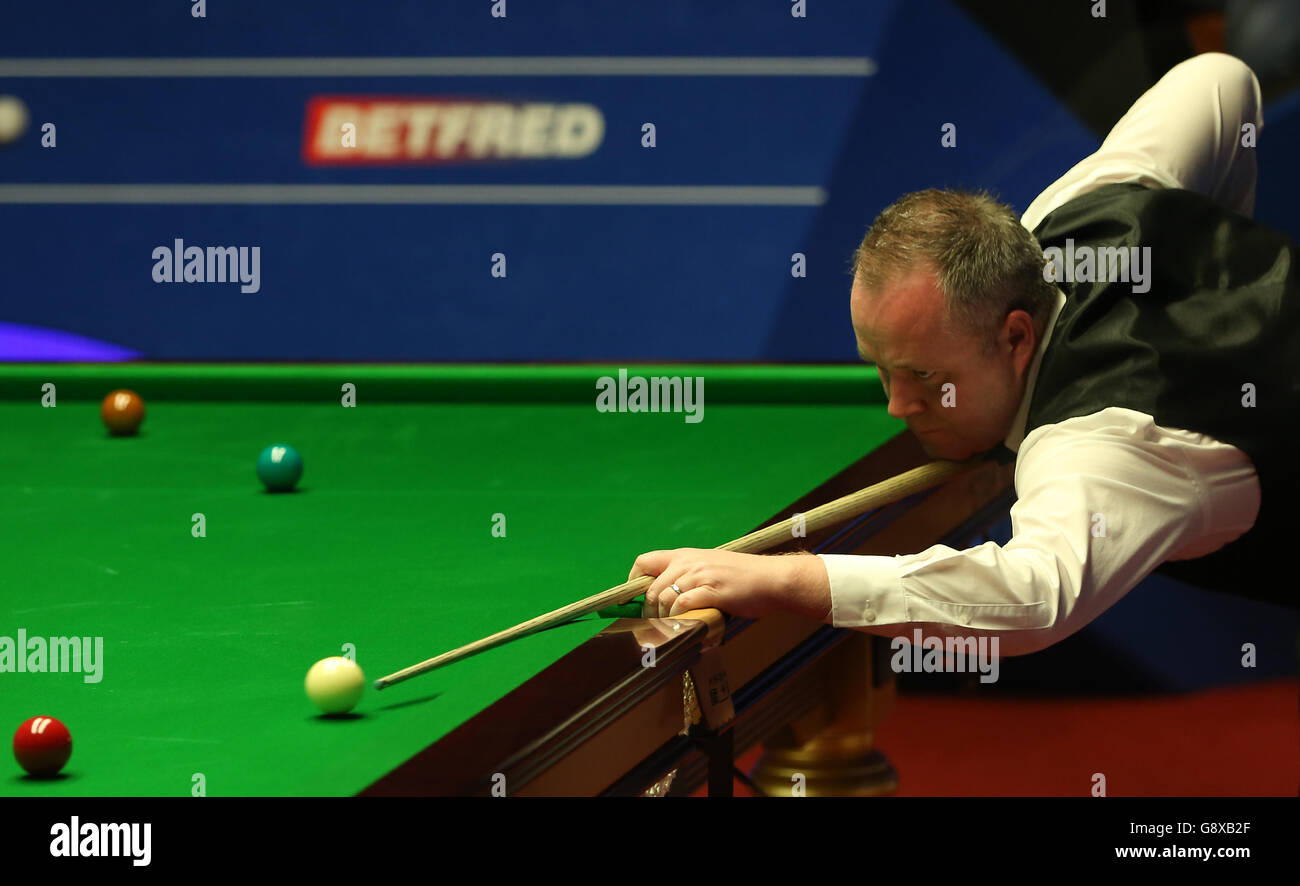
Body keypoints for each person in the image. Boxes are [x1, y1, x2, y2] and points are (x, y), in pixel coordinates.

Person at [630, 53, 1299, 658]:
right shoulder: (1074, 214)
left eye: (925, 375)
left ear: (1014, 338)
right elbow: (1220, 77)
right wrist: (1213, 252)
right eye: (881, 367)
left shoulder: (1099, 441)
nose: (897, 406)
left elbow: (1034, 597)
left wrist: (789, 578)